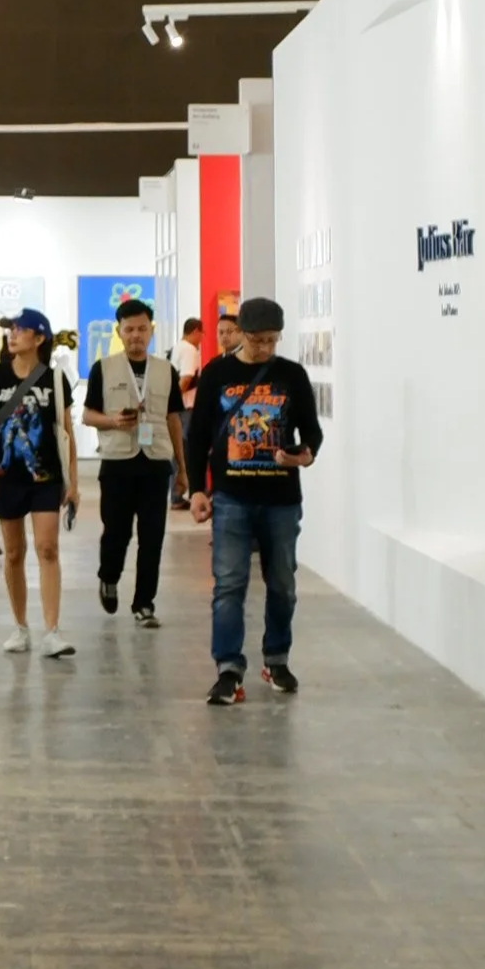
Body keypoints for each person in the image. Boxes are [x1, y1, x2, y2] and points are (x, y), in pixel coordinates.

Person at [185, 296, 323, 706]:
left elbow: (312, 433)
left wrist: (303, 455)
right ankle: (229, 669)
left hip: (281, 498)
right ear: (242, 334)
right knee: (229, 585)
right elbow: (198, 439)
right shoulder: (217, 374)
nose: (265, 348)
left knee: (282, 583)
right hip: (231, 498)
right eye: (258, 340)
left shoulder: (292, 376)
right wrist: (196, 488)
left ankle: (276, 658)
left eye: (272, 341)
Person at [0, 308, 80, 659]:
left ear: (39, 338)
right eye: (10, 329)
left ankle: (52, 629)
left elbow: (66, 433)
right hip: (5, 477)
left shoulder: (54, 379)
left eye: (20, 329)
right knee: (14, 551)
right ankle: (20, 626)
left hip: (45, 477)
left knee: (48, 548)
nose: (12, 335)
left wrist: (73, 482)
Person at [83, 296, 186, 630]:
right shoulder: (103, 368)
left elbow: (173, 419)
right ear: (119, 331)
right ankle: (108, 577)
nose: (136, 335)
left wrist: (182, 470)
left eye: (142, 329)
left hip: (156, 461)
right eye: (130, 329)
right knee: (117, 531)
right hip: (117, 462)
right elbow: (87, 415)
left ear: (151, 330)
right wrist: (113, 421)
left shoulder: (166, 370)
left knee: (152, 535)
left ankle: (144, 602)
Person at [174, 316, 205, 405]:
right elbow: (186, 379)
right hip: (187, 403)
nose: (201, 338)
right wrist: (175, 400)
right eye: (201, 333)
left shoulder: (178, 347)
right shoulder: (189, 349)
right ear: (195, 331)